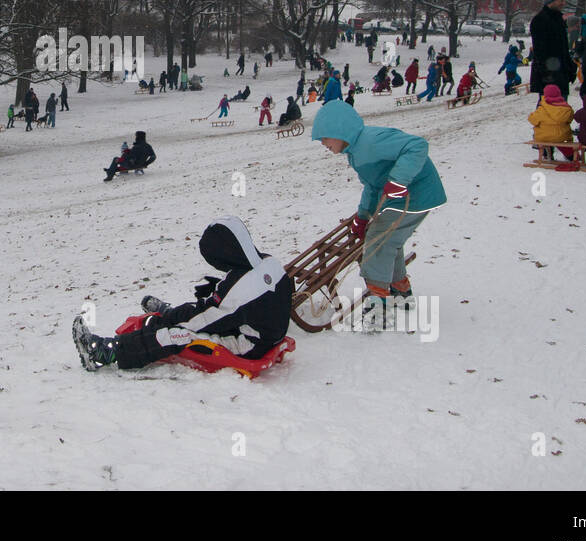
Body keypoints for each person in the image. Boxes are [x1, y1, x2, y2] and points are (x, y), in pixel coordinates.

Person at [72, 217, 292, 372]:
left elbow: (203, 321)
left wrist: (170, 323)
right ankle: (171, 313)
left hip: (250, 345)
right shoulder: (268, 262)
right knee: (204, 308)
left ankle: (106, 353)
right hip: (264, 329)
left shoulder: (241, 288)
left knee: (178, 335)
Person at [311, 101, 447, 332]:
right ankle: (401, 290)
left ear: (340, 131)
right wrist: (363, 216)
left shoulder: (371, 141)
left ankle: (378, 305)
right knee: (388, 239)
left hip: (416, 194)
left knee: (377, 240)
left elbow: (417, 146)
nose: (323, 144)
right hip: (402, 197)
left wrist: (398, 180)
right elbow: (372, 187)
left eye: (325, 138)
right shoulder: (355, 152)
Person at [529, 0, 576, 99]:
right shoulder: (540, 20)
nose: (563, 3)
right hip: (550, 74)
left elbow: (563, 48)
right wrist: (548, 74)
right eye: (560, 0)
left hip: (560, 72)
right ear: (551, 1)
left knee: (560, 108)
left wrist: (569, 67)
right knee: (549, 108)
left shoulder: (558, 19)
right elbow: (541, 51)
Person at [528, 84, 576, 160]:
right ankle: (571, 156)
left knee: (544, 135)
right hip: (562, 136)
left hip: (544, 137)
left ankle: (546, 155)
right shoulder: (566, 108)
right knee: (560, 138)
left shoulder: (542, 108)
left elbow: (532, 120)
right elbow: (570, 120)